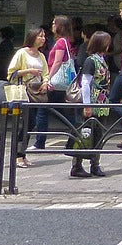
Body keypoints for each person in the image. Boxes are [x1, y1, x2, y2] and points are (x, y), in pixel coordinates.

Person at [6, 28, 49, 169]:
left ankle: (22, 155)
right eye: (40, 36)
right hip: (24, 92)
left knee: (30, 124)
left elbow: (46, 73)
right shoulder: (21, 53)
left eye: (44, 36)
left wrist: (45, 82)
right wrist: (29, 71)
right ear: (32, 37)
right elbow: (11, 73)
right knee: (26, 123)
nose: (43, 39)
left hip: (37, 93)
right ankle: (18, 155)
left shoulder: (41, 55)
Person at [74, 30, 113, 178]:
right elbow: (85, 83)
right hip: (93, 101)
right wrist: (87, 105)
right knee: (85, 134)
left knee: (98, 134)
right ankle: (77, 164)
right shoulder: (91, 61)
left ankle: (95, 164)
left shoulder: (102, 60)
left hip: (102, 103)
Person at [33, 16, 75, 151]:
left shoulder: (61, 42)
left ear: (60, 26)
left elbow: (57, 62)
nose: (52, 26)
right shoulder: (66, 41)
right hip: (60, 83)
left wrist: (48, 79)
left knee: (43, 110)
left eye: (53, 23)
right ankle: (75, 133)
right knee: (61, 111)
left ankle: (40, 142)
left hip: (55, 82)